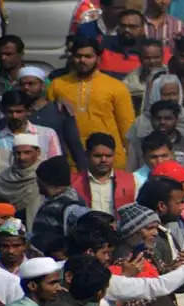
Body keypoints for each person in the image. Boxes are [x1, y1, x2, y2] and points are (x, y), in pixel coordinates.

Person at [47, 39, 136, 170]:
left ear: (98, 59)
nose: (82, 60)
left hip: (109, 159)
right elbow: (51, 125)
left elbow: (127, 126)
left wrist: (132, 161)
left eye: (88, 56)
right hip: (71, 161)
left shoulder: (116, 86)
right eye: (78, 56)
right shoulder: (57, 85)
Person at [73, 133, 138, 214]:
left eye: (108, 156)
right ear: (87, 155)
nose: (103, 160)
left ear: (114, 155)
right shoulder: (73, 183)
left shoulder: (131, 180)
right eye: (97, 156)